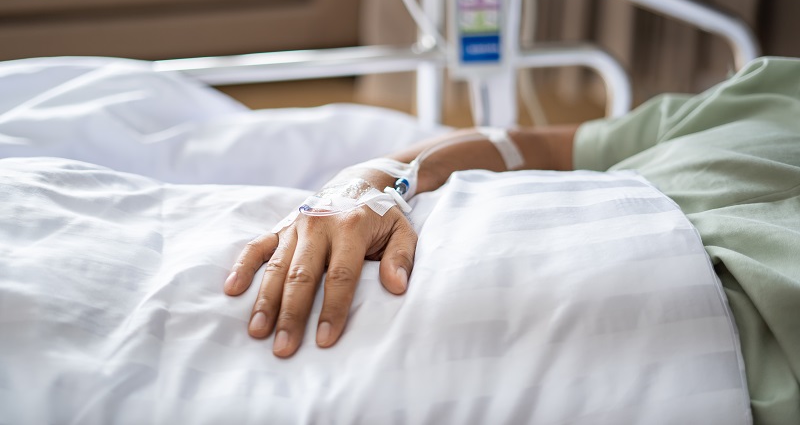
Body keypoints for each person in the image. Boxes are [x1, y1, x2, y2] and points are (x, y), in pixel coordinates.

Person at [224, 57, 800, 425]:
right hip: (315, 245)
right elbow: (527, 145)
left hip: (606, 362)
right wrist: (361, 186)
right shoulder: (776, 93)